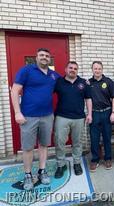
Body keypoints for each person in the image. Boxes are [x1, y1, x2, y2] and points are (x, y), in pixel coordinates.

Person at [11, 48, 60, 190]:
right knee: (27, 147)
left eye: (47, 56)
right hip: (28, 116)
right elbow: (15, 91)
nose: (44, 57)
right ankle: (27, 174)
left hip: (47, 116)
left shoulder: (53, 75)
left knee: (44, 145)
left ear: (49, 59)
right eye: (41, 55)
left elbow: (66, 83)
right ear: (36, 57)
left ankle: (42, 171)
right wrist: (17, 113)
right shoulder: (26, 70)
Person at [54, 61, 92, 178]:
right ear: (65, 69)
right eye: (70, 68)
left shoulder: (83, 83)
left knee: (78, 143)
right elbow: (46, 94)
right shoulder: (58, 82)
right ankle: (61, 165)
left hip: (79, 118)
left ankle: (77, 163)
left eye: (75, 68)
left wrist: (89, 114)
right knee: (59, 142)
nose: (73, 70)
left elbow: (88, 99)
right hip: (62, 117)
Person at [88, 61, 114, 172]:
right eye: (95, 68)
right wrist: (89, 114)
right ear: (92, 69)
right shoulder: (88, 83)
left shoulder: (108, 81)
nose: (97, 70)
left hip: (107, 113)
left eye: (99, 68)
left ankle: (108, 158)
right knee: (94, 138)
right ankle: (95, 160)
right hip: (94, 114)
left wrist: (113, 112)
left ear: (102, 69)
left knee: (107, 138)